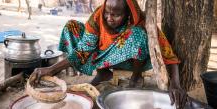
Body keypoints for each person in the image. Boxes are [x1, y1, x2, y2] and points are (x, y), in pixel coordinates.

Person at [33, 0, 188, 108]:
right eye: (107, 12)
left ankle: (136, 77)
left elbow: (168, 53)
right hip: (102, 56)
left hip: (131, 60)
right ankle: (103, 73)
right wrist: (51, 69)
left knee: (137, 35)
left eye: (116, 14)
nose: (109, 18)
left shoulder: (140, 20)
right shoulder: (99, 16)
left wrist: (175, 83)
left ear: (128, 13)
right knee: (71, 26)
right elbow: (84, 49)